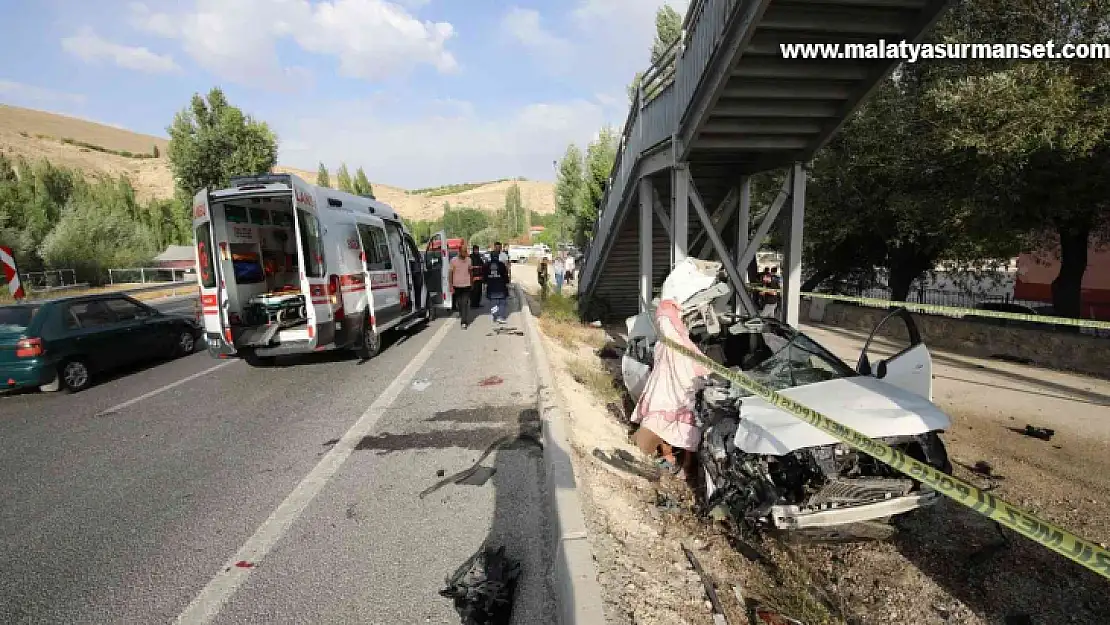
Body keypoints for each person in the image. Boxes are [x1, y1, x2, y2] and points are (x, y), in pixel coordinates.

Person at [484, 250, 511, 324]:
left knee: (493, 302)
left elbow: (484, 276)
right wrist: (507, 283)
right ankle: (500, 317)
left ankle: (495, 316)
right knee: (502, 302)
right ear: (498, 256)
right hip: (501, 286)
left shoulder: (487, 265)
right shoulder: (501, 264)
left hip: (491, 287)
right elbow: (505, 275)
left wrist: (485, 283)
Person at [449, 249, 474, 328]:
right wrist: (450, 285)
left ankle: (464, 322)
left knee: (465, 303)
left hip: (467, 285)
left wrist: (472, 282)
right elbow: (450, 273)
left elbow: (470, 272)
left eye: (466, 252)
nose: (465, 254)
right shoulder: (453, 260)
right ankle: (462, 313)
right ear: (459, 252)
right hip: (457, 285)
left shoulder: (469, 260)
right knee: (459, 303)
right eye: (464, 252)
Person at [468, 244, 484, 309]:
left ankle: (477, 303)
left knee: (479, 291)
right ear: (473, 250)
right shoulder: (470, 257)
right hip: (473, 276)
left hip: (479, 276)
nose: (477, 251)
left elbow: (482, 264)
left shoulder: (479, 256)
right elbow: (469, 267)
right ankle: (473, 303)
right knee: (474, 290)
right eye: (475, 250)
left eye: (477, 250)